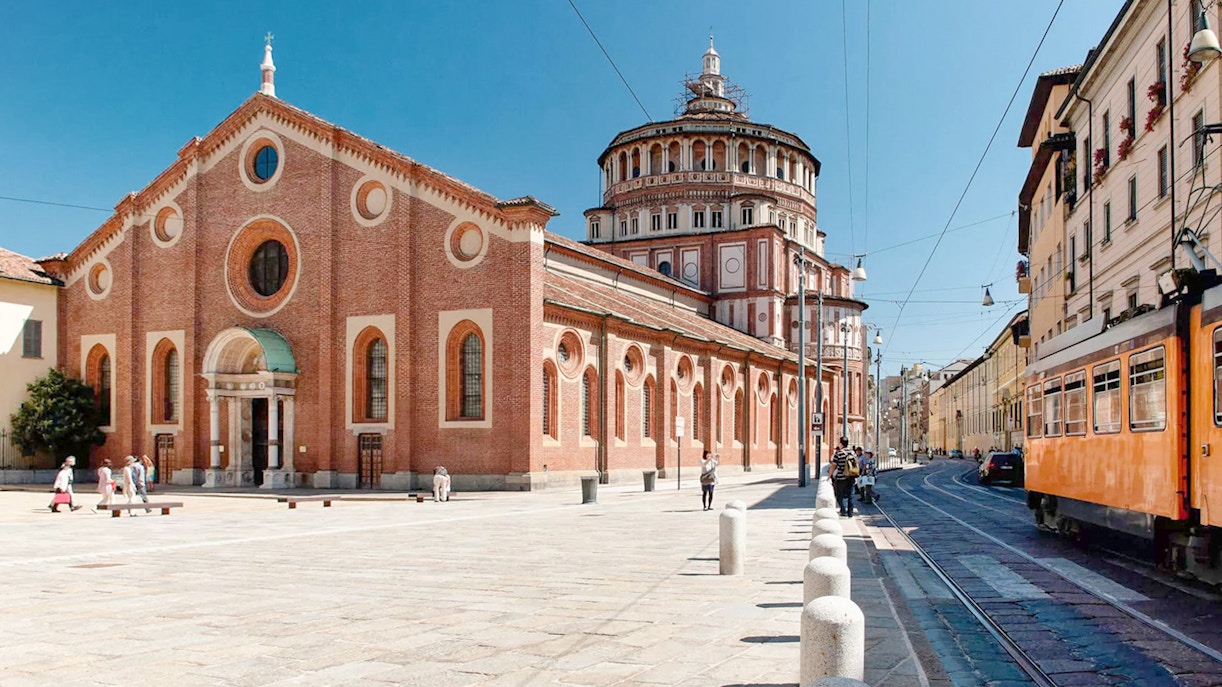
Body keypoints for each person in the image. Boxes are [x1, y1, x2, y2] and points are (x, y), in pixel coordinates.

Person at [831, 437, 857, 517]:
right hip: (851, 477)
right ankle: (850, 513)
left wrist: (829, 475)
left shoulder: (838, 453)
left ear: (841, 443)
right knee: (851, 495)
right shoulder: (852, 453)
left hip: (841, 478)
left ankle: (843, 509)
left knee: (839, 495)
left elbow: (833, 466)